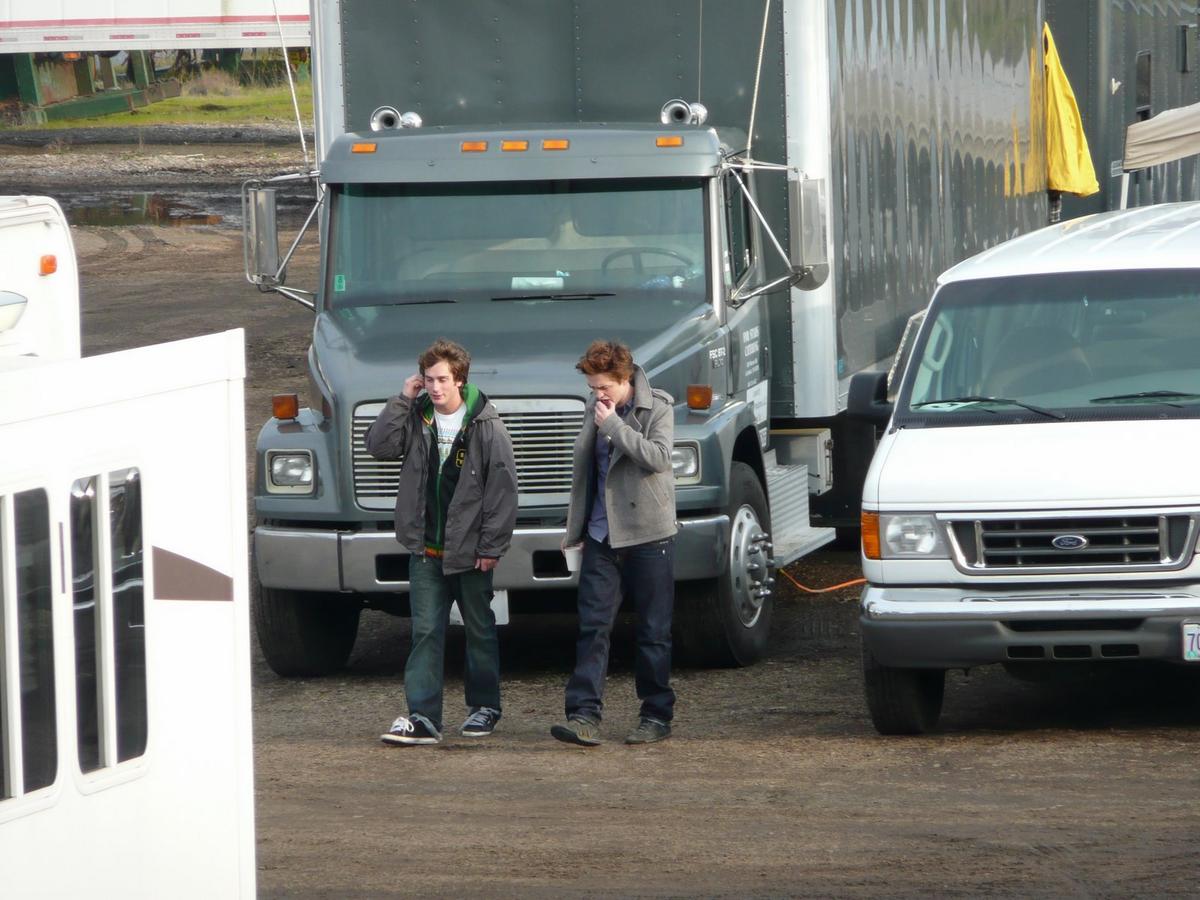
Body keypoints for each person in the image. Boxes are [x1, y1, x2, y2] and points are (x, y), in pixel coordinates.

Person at [365, 339, 518, 746]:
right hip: (425, 551)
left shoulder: (486, 425)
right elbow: (378, 446)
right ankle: (423, 718)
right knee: (425, 633)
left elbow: (502, 491)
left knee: (479, 631)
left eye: (442, 379)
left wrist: (491, 547)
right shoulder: (416, 417)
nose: (434, 387)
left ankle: (484, 708)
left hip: (471, 553)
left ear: (460, 379)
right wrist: (403, 399)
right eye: (429, 379)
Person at [551, 340, 677, 746]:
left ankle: (655, 715)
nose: (598, 394)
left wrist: (615, 427)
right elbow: (586, 473)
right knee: (593, 627)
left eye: (604, 386)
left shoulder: (658, 406)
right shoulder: (596, 407)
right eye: (592, 387)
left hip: (648, 534)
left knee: (653, 630)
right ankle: (583, 715)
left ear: (626, 379)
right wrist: (575, 530)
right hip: (601, 535)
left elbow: (658, 458)